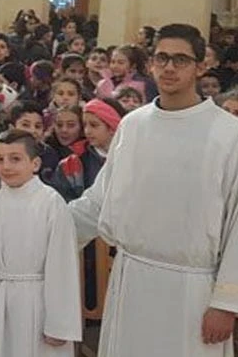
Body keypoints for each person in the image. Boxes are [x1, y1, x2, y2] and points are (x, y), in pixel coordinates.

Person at [69, 23, 238, 356]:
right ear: (150, 64)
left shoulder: (228, 134)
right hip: (131, 280)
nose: (169, 67)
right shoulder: (134, 125)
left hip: (193, 291)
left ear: (201, 67)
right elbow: (100, 200)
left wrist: (225, 302)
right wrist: (41, 218)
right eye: (161, 58)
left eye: (181, 59)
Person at [0, 130, 82, 356]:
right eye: (0, 159)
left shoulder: (50, 202)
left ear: (35, 164)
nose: (6, 166)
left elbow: (62, 265)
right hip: (2, 299)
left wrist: (59, 324)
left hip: (38, 302)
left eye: (15, 159)